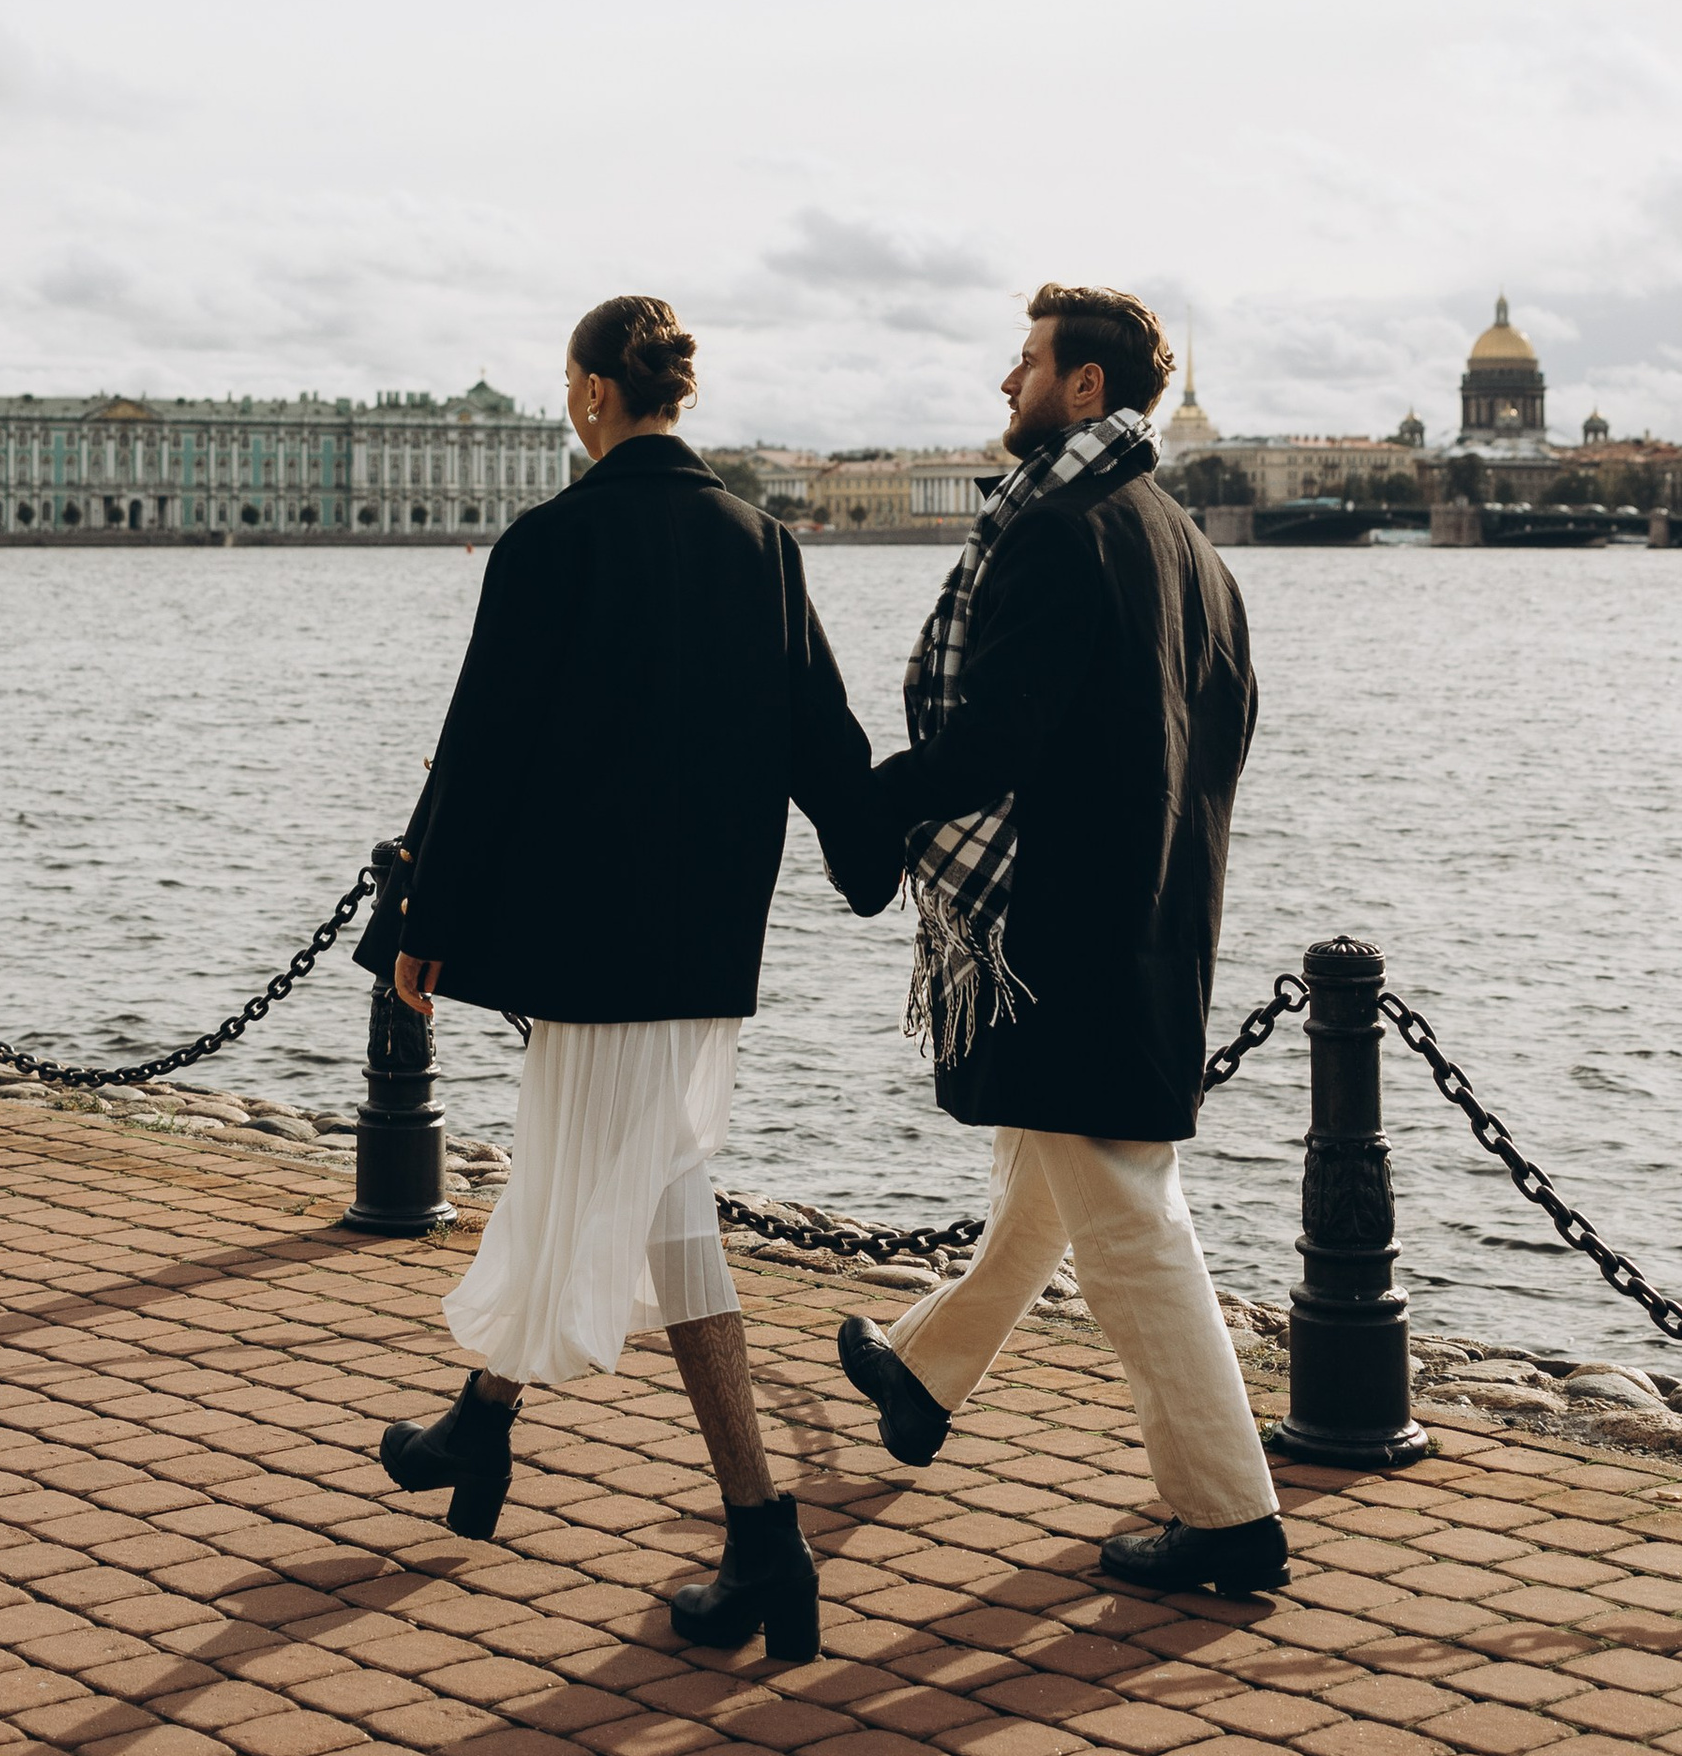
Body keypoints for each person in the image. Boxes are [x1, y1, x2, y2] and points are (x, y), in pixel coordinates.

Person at [361, 293, 870, 1661]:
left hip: (591, 939)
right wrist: (879, 858)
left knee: (646, 1190)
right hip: (705, 938)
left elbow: (485, 746)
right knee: (610, 1165)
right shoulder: (762, 543)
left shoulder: (553, 542)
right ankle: (480, 1427)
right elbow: (825, 736)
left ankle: (764, 1535)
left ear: (593, 393)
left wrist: (425, 918)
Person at [827, 283, 1286, 1598]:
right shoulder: (1190, 549)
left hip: (1066, 928)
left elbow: (998, 744)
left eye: (1025, 363)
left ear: (1085, 388)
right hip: (1157, 915)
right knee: (1062, 1166)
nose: (1005, 385)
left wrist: (867, 796)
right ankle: (926, 1373)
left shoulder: (1058, 533)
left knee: (1129, 1218)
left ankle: (1226, 1513)